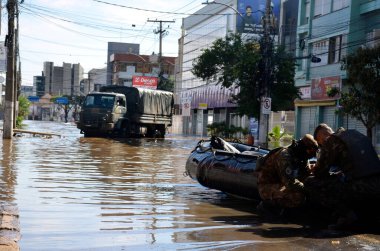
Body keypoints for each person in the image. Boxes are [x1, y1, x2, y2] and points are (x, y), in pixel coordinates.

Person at [305, 123, 380, 229]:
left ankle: (346, 215)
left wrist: (313, 168)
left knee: (310, 182)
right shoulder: (356, 135)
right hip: (376, 184)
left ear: (321, 136)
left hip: (362, 187)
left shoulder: (331, 140)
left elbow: (320, 173)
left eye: (320, 143)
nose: (321, 146)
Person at [256, 134, 318, 214]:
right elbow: (289, 182)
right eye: (310, 151)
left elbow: (304, 174)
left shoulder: (302, 157)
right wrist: (308, 190)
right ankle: (267, 205)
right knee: (298, 197)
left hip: (281, 184)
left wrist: (311, 171)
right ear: (304, 148)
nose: (310, 155)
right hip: (267, 186)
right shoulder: (285, 156)